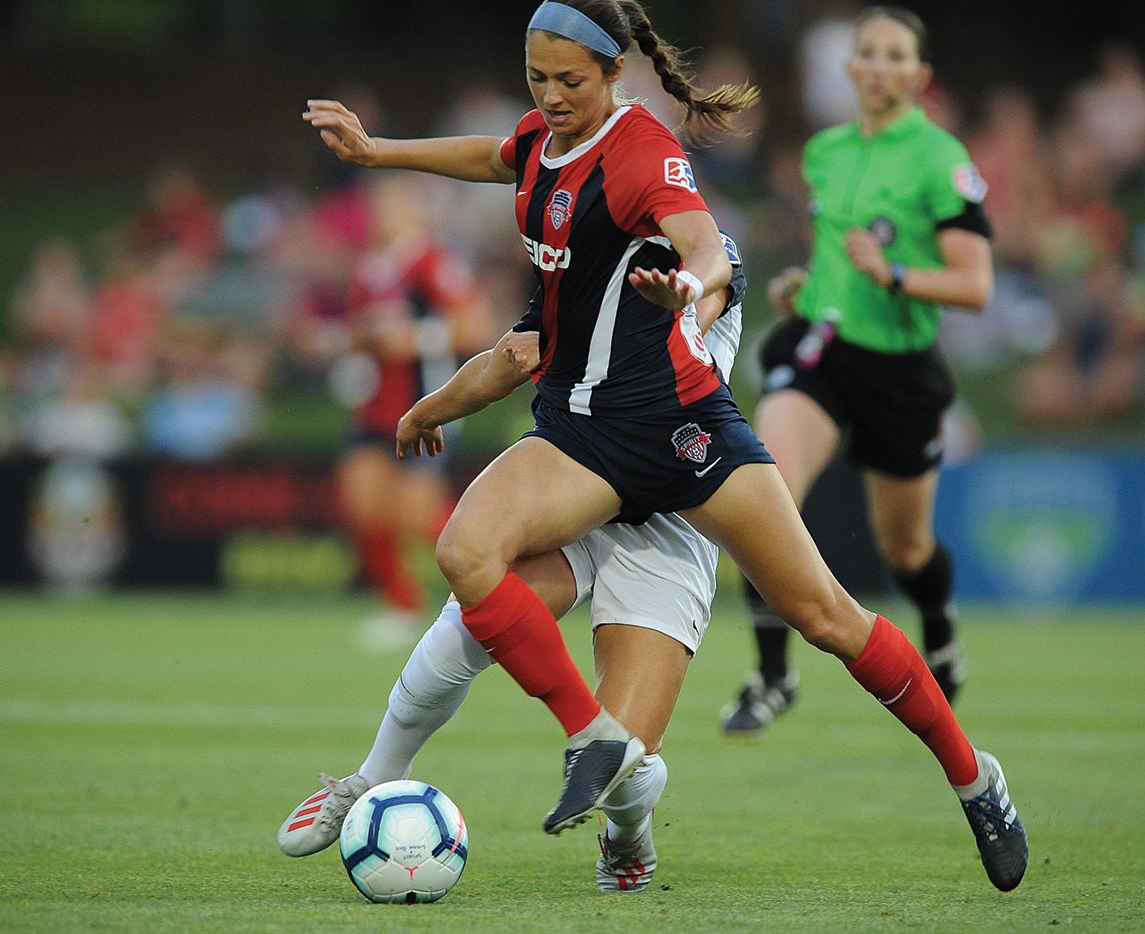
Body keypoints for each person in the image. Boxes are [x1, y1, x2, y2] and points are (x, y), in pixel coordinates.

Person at [302, 0, 1026, 891]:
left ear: (616, 74)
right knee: (467, 557)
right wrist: (380, 155)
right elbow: (499, 167)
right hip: (581, 438)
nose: (553, 96)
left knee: (827, 618)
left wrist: (686, 287)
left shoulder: (648, 158)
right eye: (539, 78)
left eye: (572, 80)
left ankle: (975, 777)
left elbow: (707, 259)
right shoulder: (543, 147)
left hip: (682, 447)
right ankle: (523, 751)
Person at [279, 248, 747, 893]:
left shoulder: (702, 249)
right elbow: (513, 351)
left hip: (669, 507)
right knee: (468, 611)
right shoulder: (576, 234)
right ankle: (372, 777)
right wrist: (437, 402)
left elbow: (697, 306)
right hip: (584, 475)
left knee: (627, 765)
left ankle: (627, 836)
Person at [720, 6, 994, 738]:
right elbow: (838, 258)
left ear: (919, 75)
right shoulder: (827, 151)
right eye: (867, 52)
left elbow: (974, 285)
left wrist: (896, 272)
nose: (879, 65)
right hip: (822, 350)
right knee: (760, 497)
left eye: (895, 55)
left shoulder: (941, 159)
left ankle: (938, 625)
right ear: (850, 68)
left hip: (900, 370)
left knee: (906, 548)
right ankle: (773, 675)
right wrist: (805, 288)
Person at [333, 174, 492, 649]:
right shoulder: (368, 270)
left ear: (416, 213)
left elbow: (476, 327)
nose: (384, 216)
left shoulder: (432, 262)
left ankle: (497, 581)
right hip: (373, 409)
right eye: (379, 207)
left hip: (424, 406)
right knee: (362, 503)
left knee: (414, 515)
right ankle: (401, 604)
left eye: (395, 206)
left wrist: (416, 339)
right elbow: (359, 335)